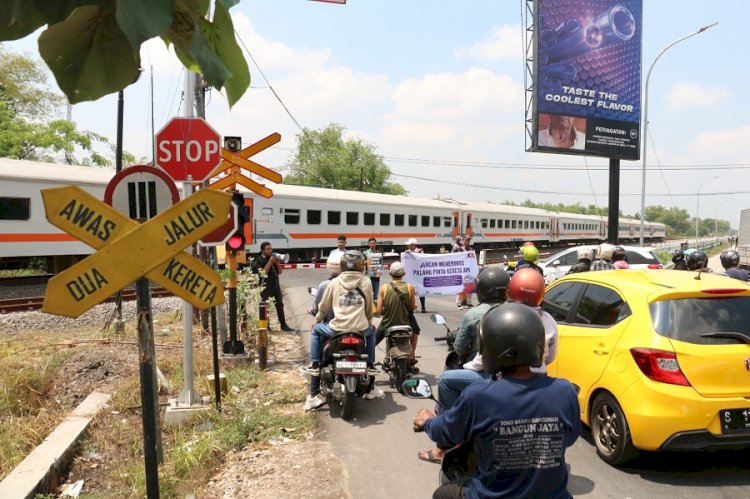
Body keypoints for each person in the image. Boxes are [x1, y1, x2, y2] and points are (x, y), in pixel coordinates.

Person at [414, 303, 581, 499]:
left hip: (491, 496)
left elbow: (445, 432)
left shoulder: (478, 396)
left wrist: (427, 422)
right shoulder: (565, 391)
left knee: (442, 494)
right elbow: (569, 438)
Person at [418, 266, 510, 465]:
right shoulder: (516, 310)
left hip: (487, 373)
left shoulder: (475, 314)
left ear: (482, 290)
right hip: (513, 373)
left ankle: (443, 443)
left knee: (445, 381)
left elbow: (459, 348)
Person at [302, 250, 381, 410]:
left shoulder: (334, 283)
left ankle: (315, 364)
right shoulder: (366, 282)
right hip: (360, 329)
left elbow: (323, 307)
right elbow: (368, 309)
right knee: (372, 332)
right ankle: (371, 364)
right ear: (361, 266)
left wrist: (317, 320)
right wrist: (368, 322)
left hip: (336, 329)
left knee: (316, 331)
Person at [376, 261, 419, 359]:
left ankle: (368, 362)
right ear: (403, 274)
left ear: (390, 274)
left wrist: (386, 311)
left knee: (373, 341)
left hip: (388, 323)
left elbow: (378, 310)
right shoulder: (410, 288)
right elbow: (412, 308)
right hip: (406, 323)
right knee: (415, 332)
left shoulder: (383, 288)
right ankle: (412, 354)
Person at [251, 242, 295, 332]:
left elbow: (280, 272)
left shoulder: (273, 258)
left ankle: (283, 325)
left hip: (275, 286)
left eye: (271, 249)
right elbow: (263, 273)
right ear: (262, 250)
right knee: (265, 307)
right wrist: (270, 262)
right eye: (268, 249)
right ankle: (266, 326)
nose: (270, 251)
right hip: (265, 287)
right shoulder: (258, 260)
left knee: (280, 305)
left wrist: (277, 263)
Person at [308, 252, 341, 322]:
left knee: (315, 329)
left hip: (333, 324)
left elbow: (319, 307)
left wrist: (315, 315)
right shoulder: (359, 284)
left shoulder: (324, 285)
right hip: (355, 325)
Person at [452, 236, 474, 310]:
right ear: (463, 241)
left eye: (469, 240)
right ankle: (458, 303)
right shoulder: (459, 249)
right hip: (461, 271)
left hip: (468, 270)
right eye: (466, 240)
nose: (468, 241)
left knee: (470, 287)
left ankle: (469, 302)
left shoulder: (470, 249)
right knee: (460, 287)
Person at [405, 238, 427, 312]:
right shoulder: (407, 252)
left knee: (421, 290)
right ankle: (411, 306)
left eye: (409, 245)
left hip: (419, 273)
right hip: (411, 274)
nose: (408, 246)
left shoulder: (420, 251)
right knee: (410, 290)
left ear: (413, 245)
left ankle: (423, 306)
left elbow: (421, 260)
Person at [364, 237, 383, 301]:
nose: (372, 244)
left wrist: (380, 271)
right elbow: (361, 263)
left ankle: (375, 307)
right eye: (371, 243)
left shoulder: (378, 253)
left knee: (376, 293)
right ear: (368, 244)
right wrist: (367, 261)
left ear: (376, 244)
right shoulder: (365, 253)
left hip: (376, 276)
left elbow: (380, 264)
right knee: (368, 293)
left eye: (374, 243)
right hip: (368, 276)